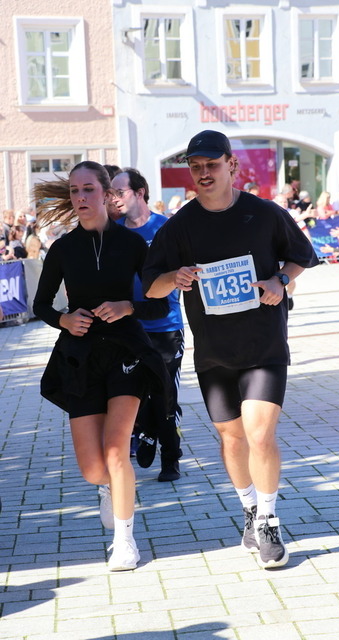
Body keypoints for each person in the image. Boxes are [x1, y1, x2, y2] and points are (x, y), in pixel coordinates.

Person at [142, 130, 319, 569]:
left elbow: (301, 256)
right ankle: (249, 510)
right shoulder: (179, 226)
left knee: (259, 434)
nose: (204, 173)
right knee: (232, 438)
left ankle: (270, 523)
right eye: (196, 167)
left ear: (232, 165)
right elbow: (151, 285)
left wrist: (280, 281)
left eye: (212, 164)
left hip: (264, 345)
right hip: (214, 354)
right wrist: (175, 278)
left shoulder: (265, 214)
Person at [32, 161, 169, 572]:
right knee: (94, 468)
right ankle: (109, 488)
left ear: (107, 195)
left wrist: (129, 306)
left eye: (88, 189)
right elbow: (41, 304)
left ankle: (125, 542)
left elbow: (159, 303)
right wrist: (64, 320)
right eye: (74, 191)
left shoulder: (132, 245)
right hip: (80, 357)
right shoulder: (63, 249)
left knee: (116, 449)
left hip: (126, 351)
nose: (80, 197)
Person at [111, 168, 185, 482]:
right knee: (133, 393)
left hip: (166, 326)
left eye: (120, 192)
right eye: (111, 194)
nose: (114, 199)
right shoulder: (112, 231)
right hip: (128, 328)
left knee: (165, 395)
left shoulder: (166, 227)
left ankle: (170, 459)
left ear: (140, 192)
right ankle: (147, 430)